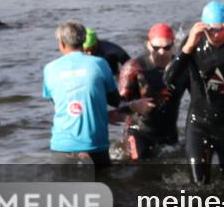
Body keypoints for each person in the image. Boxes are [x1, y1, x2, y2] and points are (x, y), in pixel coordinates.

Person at [165, 0, 224, 184]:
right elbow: (168, 79)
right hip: (199, 124)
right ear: (202, 28)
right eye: (210, 30)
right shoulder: (192, 43)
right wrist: (187, 49)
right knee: (199, 186)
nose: (215, 35)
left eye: (220, 29)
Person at [43, 20, 152, 167]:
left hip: (61, 147)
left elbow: (59, 102)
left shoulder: (49, 69)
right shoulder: (99, 64)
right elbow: (114, 100)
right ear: (83, 41)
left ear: (62, 43)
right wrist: (132, 106)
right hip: (94, 146)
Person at [118, 23, 187, 160]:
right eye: (156, 48)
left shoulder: (183, 68)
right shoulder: (134, 68)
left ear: (174, 45)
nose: (161, 52)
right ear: (149, 45)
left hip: (168, 133)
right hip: (139, 131)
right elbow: (117, 104)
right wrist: (134, 105)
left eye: (166, 47)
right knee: (138, 168)